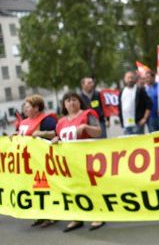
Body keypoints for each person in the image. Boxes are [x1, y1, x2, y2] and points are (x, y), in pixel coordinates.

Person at [52, 92, 104, 231]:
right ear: (64, 104)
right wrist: (56, 140)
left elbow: (98, 131)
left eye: (74, 100)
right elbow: (58, 137)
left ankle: (98, 214)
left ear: (80, 102)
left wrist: (86, 127)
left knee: (90, 186)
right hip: (68, 161)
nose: (71, 103)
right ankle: (77, 217)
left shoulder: (87, 114)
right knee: (72, 187)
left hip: (86, 158)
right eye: (68, 100)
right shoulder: (61, 122)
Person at [17, 95, 57, 228]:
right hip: (27, 161)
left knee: (44, 188)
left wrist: (42, 133)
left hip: (42, 160)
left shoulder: (46, 120)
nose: (25, 109)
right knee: (32, 188)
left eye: (27, 106)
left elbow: (57, 132)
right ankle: (40, 214)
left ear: (36, 107)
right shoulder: (24, 122)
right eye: (25, 106)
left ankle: (51, 215)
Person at [118, 71, 152, 135]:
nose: (130, 80)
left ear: (135, 79)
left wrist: (144, 118)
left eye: (132, 78)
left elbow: (149, 104)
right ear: (124, 79)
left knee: (139, 143)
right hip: (126, 124)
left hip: (137, 124)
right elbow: (120, 107)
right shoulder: (122, 91)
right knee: (129, 143)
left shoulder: (140, 90)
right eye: (128, 78)